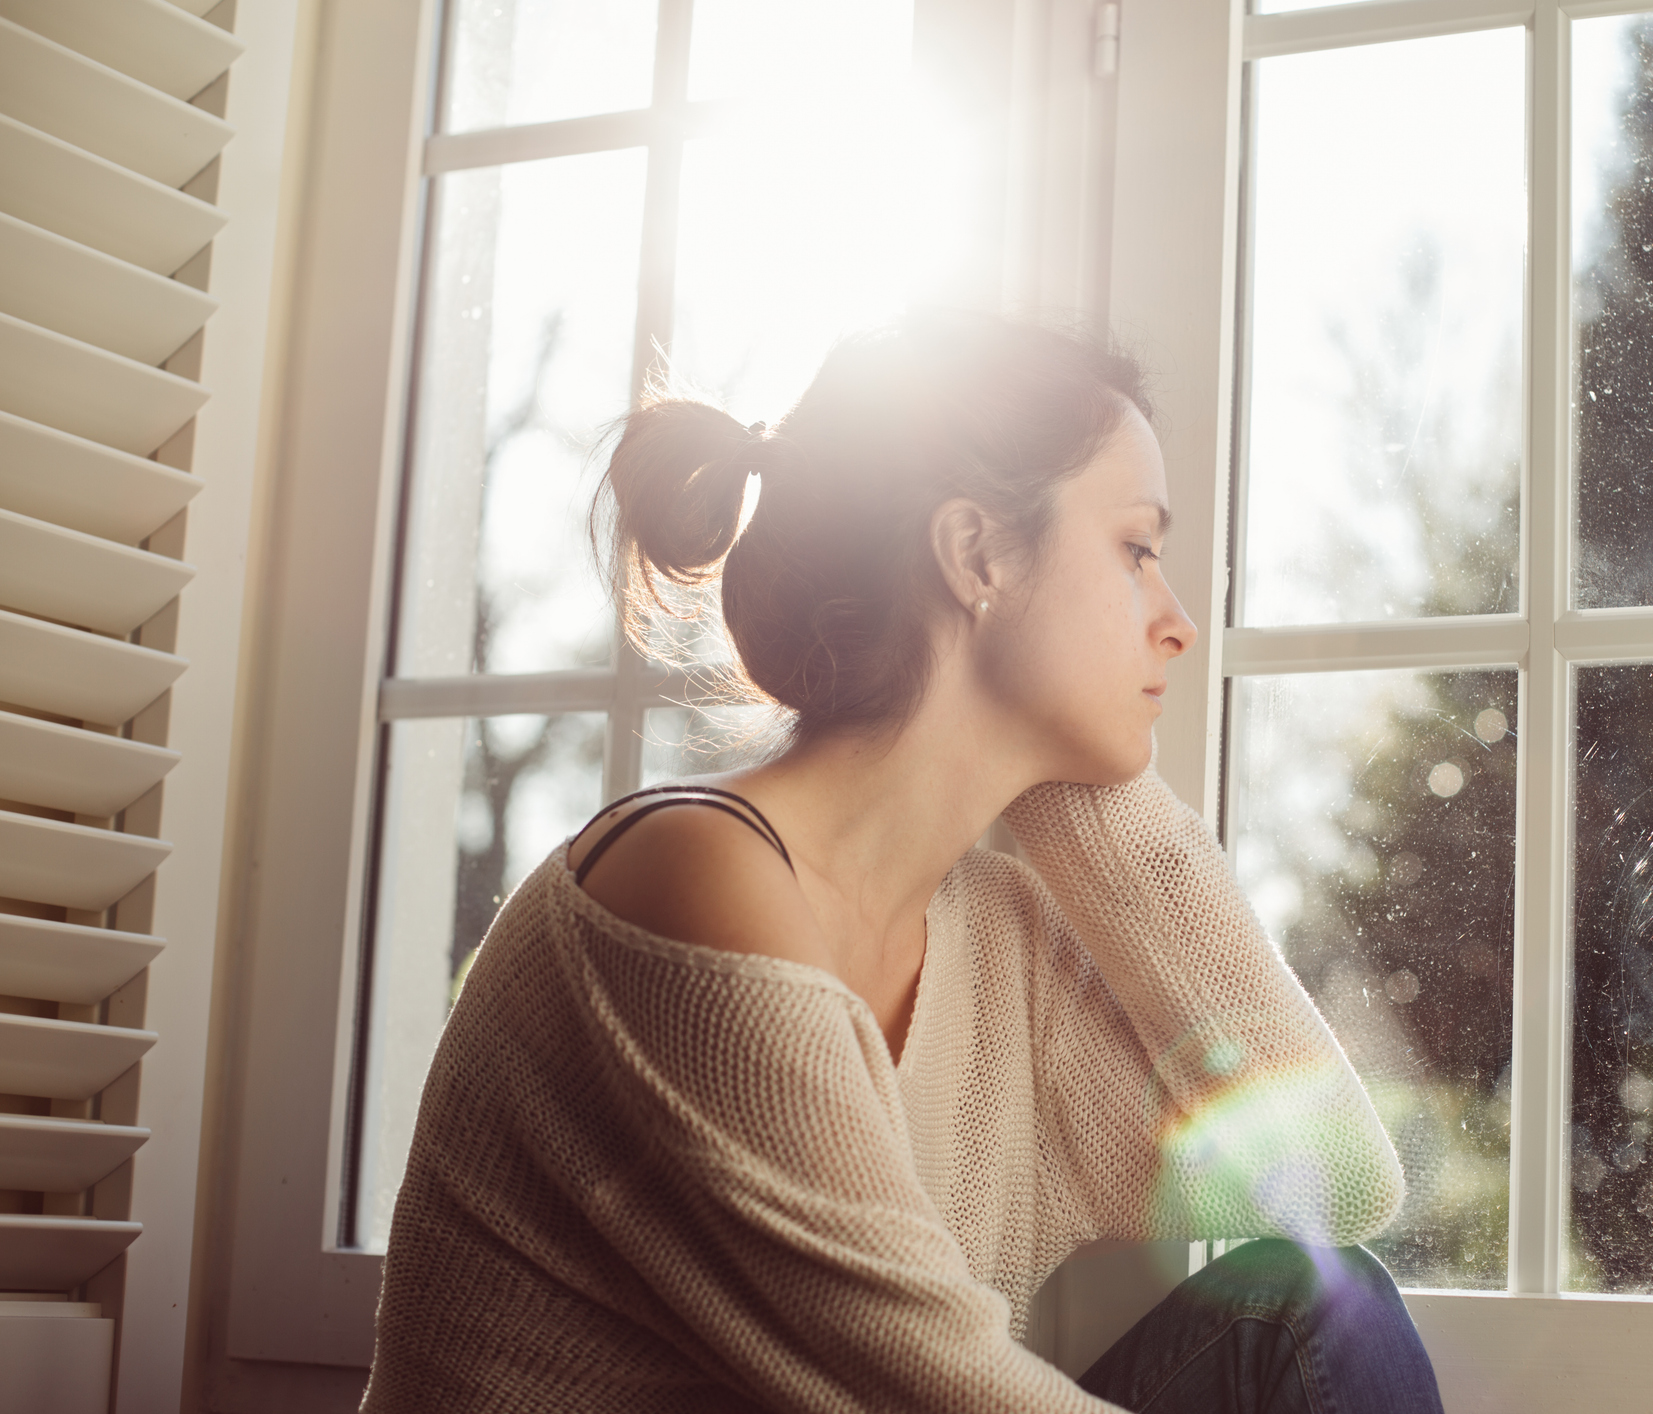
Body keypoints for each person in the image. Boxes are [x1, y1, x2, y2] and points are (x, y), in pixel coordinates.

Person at [361, 312, 1447, 1414]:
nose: (1177, 622)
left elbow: (1335, 1180)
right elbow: (940, 1394)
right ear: (976, 554)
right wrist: (1048, 722)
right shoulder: (690, 880)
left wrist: (1085, 792)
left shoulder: (999, 937)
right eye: (1135, 550)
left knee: (1309, 1303)